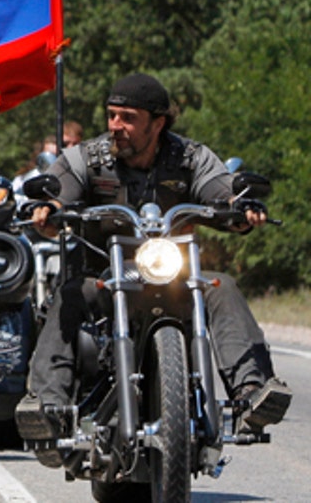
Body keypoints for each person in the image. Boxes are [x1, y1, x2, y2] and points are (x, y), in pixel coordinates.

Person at [15, 73, 291, 457]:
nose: (116, 126)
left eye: (128, 117)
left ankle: (251, 394)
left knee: (221, 286)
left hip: (174, 275)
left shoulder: (191, 158)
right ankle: (46, 405)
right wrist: (50, 209)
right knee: (70, 293)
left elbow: (219, 190)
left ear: (157, 123)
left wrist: (240, 208)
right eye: (112, 115)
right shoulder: (87, 159)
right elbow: (60, 192)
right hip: (105, 279)